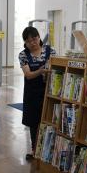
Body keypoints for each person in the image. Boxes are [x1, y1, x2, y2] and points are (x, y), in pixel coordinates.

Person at [18, 27, 56, 160]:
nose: (32, 43)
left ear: (39, 37)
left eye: (34, 39)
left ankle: (49, 150)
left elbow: (56, 69)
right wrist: (41, 71)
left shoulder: (50, 51)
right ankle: (35, 150)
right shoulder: (23, 55)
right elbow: (28, 75)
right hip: (32, 93)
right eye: (28, 41)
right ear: (25, 42)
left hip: (49, 91)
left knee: (48, 120)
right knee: (34, 123)